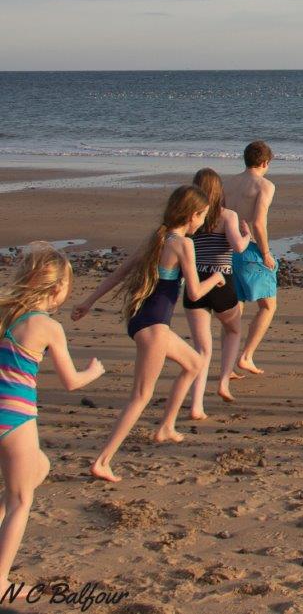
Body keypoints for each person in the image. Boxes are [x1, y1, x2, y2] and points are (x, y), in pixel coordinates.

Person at [73, 185, 226, 483]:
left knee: (194, 364)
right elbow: (194, 293)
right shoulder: (183, 244)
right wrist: (218, 278)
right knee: (141, 397)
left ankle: (166, 427)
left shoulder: (157, 237)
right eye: (203, 216)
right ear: (193, 215)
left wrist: (88, 302)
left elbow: (119, 274)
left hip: (141, 320)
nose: (203, 221)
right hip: (154, 326)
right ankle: (102, 461)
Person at [0, 243, 105, 596]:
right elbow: (71, 381)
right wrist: (94, 370)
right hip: (17, 418)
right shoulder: (46, 326)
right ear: (58, 288)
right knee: (20, 502)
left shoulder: (6, 315)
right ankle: (0, 581)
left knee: (38, 469)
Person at [183, 168, 252, 416]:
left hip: (195, 281)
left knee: (203, 348)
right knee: (233, 329)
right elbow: (238, 247)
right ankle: (223, 380)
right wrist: (247, 235)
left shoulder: (188, 218)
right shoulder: (227, 216)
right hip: (221, 280)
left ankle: (196, 404)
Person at [223, 141, 277, 375]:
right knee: (267, 305)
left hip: (228, 247)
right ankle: (246, 356)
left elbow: (222, 215)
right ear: (265, 162)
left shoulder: (229, 183)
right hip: (250, 249)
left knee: (235, 309)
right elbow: (257, 222)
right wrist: (265, 253)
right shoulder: (265, 185)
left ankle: (228, 365)